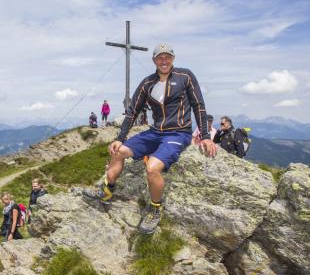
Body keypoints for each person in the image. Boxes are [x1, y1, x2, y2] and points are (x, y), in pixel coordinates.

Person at [82, 44, 217, 234]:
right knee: (117, 151)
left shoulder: (185, 76)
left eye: (167, 57)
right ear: (154, 60)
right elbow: (132, 112)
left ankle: (155, 208)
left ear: (173, 58)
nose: (164, 61)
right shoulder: (147, 83)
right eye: (160, 58)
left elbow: (199, 106)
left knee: (152, 168)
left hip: (178, 133)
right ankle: (106, 190)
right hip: (155, 132)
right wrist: (120, 138)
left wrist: (205, 136)